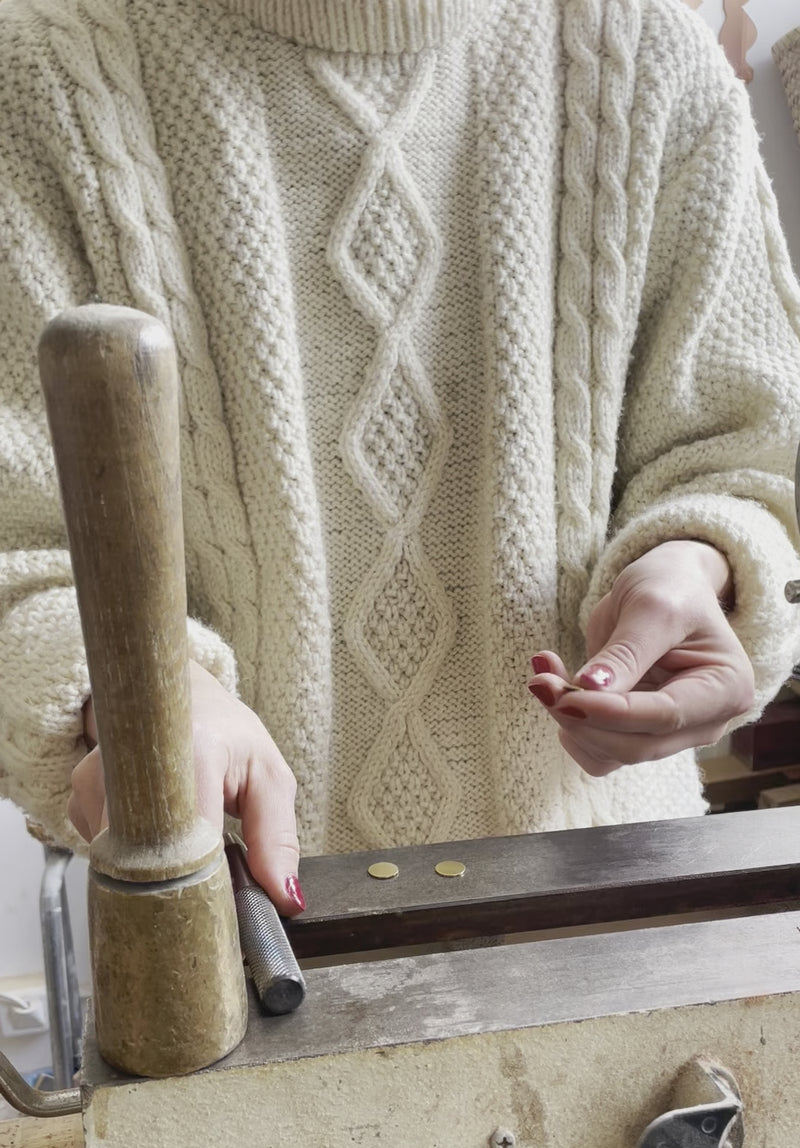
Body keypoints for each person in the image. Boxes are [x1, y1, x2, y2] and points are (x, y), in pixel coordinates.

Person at [2, 0, 800, 928]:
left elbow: (750, 452)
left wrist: (701, 563)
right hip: (226, 926)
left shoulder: (648, 49)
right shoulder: (42, 72)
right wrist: (143, 696)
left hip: (618, 895)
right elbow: (18, 543)